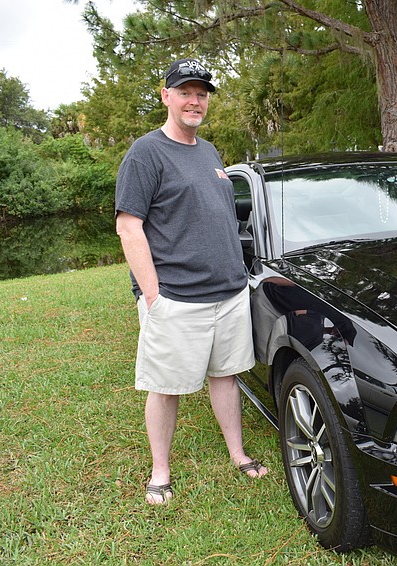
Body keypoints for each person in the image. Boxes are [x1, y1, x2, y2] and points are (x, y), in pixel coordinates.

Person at [115, 58, 267, 505]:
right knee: (166, 387)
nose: (195, 100)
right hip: (177, 298)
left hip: (229, 293)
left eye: (202, 93)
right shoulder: (146, 153)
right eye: (185, 91)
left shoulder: (209, 151)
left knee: (226, 376)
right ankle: (160, 470)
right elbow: (129, 226)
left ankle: (238, 454)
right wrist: (152, 295)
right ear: (166, 96)